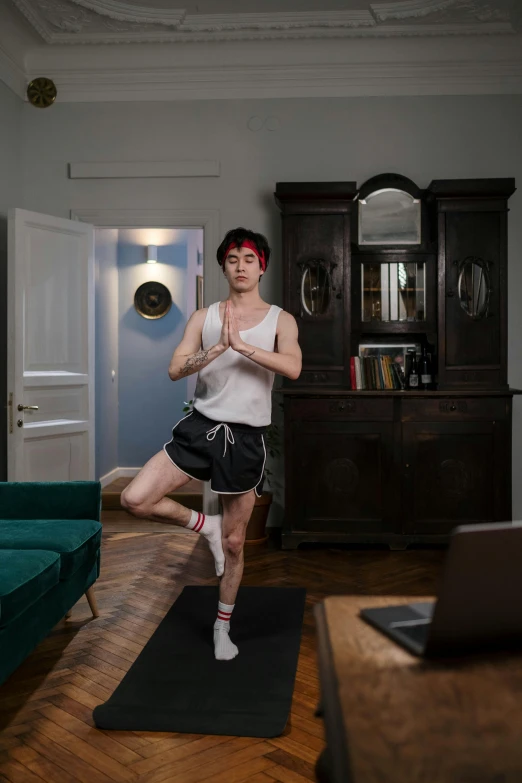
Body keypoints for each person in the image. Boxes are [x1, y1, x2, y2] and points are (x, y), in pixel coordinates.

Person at [121, 227, 302, 660]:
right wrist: (219, 346)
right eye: (233, 259)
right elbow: (175, 369)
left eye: (250, 260)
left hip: (245, 438)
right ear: (223, 265)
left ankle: (223, 628)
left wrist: (244, 347)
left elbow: (292, 368)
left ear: (262, 267)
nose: (241, 267)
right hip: (200, 427)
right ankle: (206, 527)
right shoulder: (204, 317)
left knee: (237, 544)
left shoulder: (281, 319)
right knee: (134, 498)